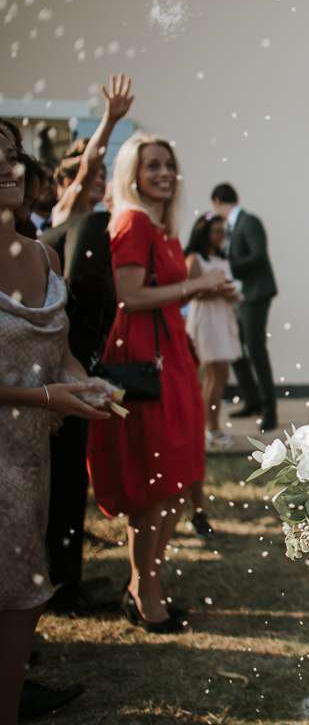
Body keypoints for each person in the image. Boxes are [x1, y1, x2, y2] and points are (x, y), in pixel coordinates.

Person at [86, 134, 231, 632]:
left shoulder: (162, 227)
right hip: (143, 362)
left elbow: (162, 291)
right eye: (152, 165)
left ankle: (146, 583)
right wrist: (198, 284)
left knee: (174, 479)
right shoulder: (132, 222)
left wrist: (199, 290)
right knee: (153, 482)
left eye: (169, 164)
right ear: (132, 173)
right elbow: (128, 296)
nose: (164, 173)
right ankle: (143, 592)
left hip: (171, 356)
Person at [0, 124, 110, 725]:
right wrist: (46, 397)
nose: (8, 167)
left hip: (27, 457)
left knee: (22, 594)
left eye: (12, 155)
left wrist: (86, 384)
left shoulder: (43, 255)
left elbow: (58, 352)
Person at [37, 75, 132, 613]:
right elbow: (90, 163)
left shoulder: (101, 223)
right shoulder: (68, 214)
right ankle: (61, 581)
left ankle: (65, 574)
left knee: (73, 475)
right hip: (57, 364)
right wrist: (110, 122)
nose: (96, 182)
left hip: (78, 359)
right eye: (87, 177)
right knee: (64, 475)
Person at [210, 183, 278, 432]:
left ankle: (270, 410)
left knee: (256, 349)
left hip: (256, 294)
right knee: (237, 349)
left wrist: (228, 266)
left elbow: (258, 255)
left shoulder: (249, 222)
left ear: (218, 202)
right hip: (240, 296)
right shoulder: (232, 226)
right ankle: (252, 401)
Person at [184, 212, 242, 453]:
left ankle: (212, 426)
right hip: (206, 319)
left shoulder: (221, 258)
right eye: (217, 232)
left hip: (222, 317)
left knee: (221, 375)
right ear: (204, 233)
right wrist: (217, 290)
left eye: (223, 232)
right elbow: (189, 292)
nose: (221, 236)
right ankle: (211, 428)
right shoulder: (195, 259)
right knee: (213, 375)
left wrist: (231, 292)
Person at [51, 74, 133, 228]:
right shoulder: (67, 208)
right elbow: (89, 167)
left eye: (102, 176)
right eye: (95, 176)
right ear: (70, 182)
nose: (100, 181)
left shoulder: (97, 218)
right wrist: (110, 120)